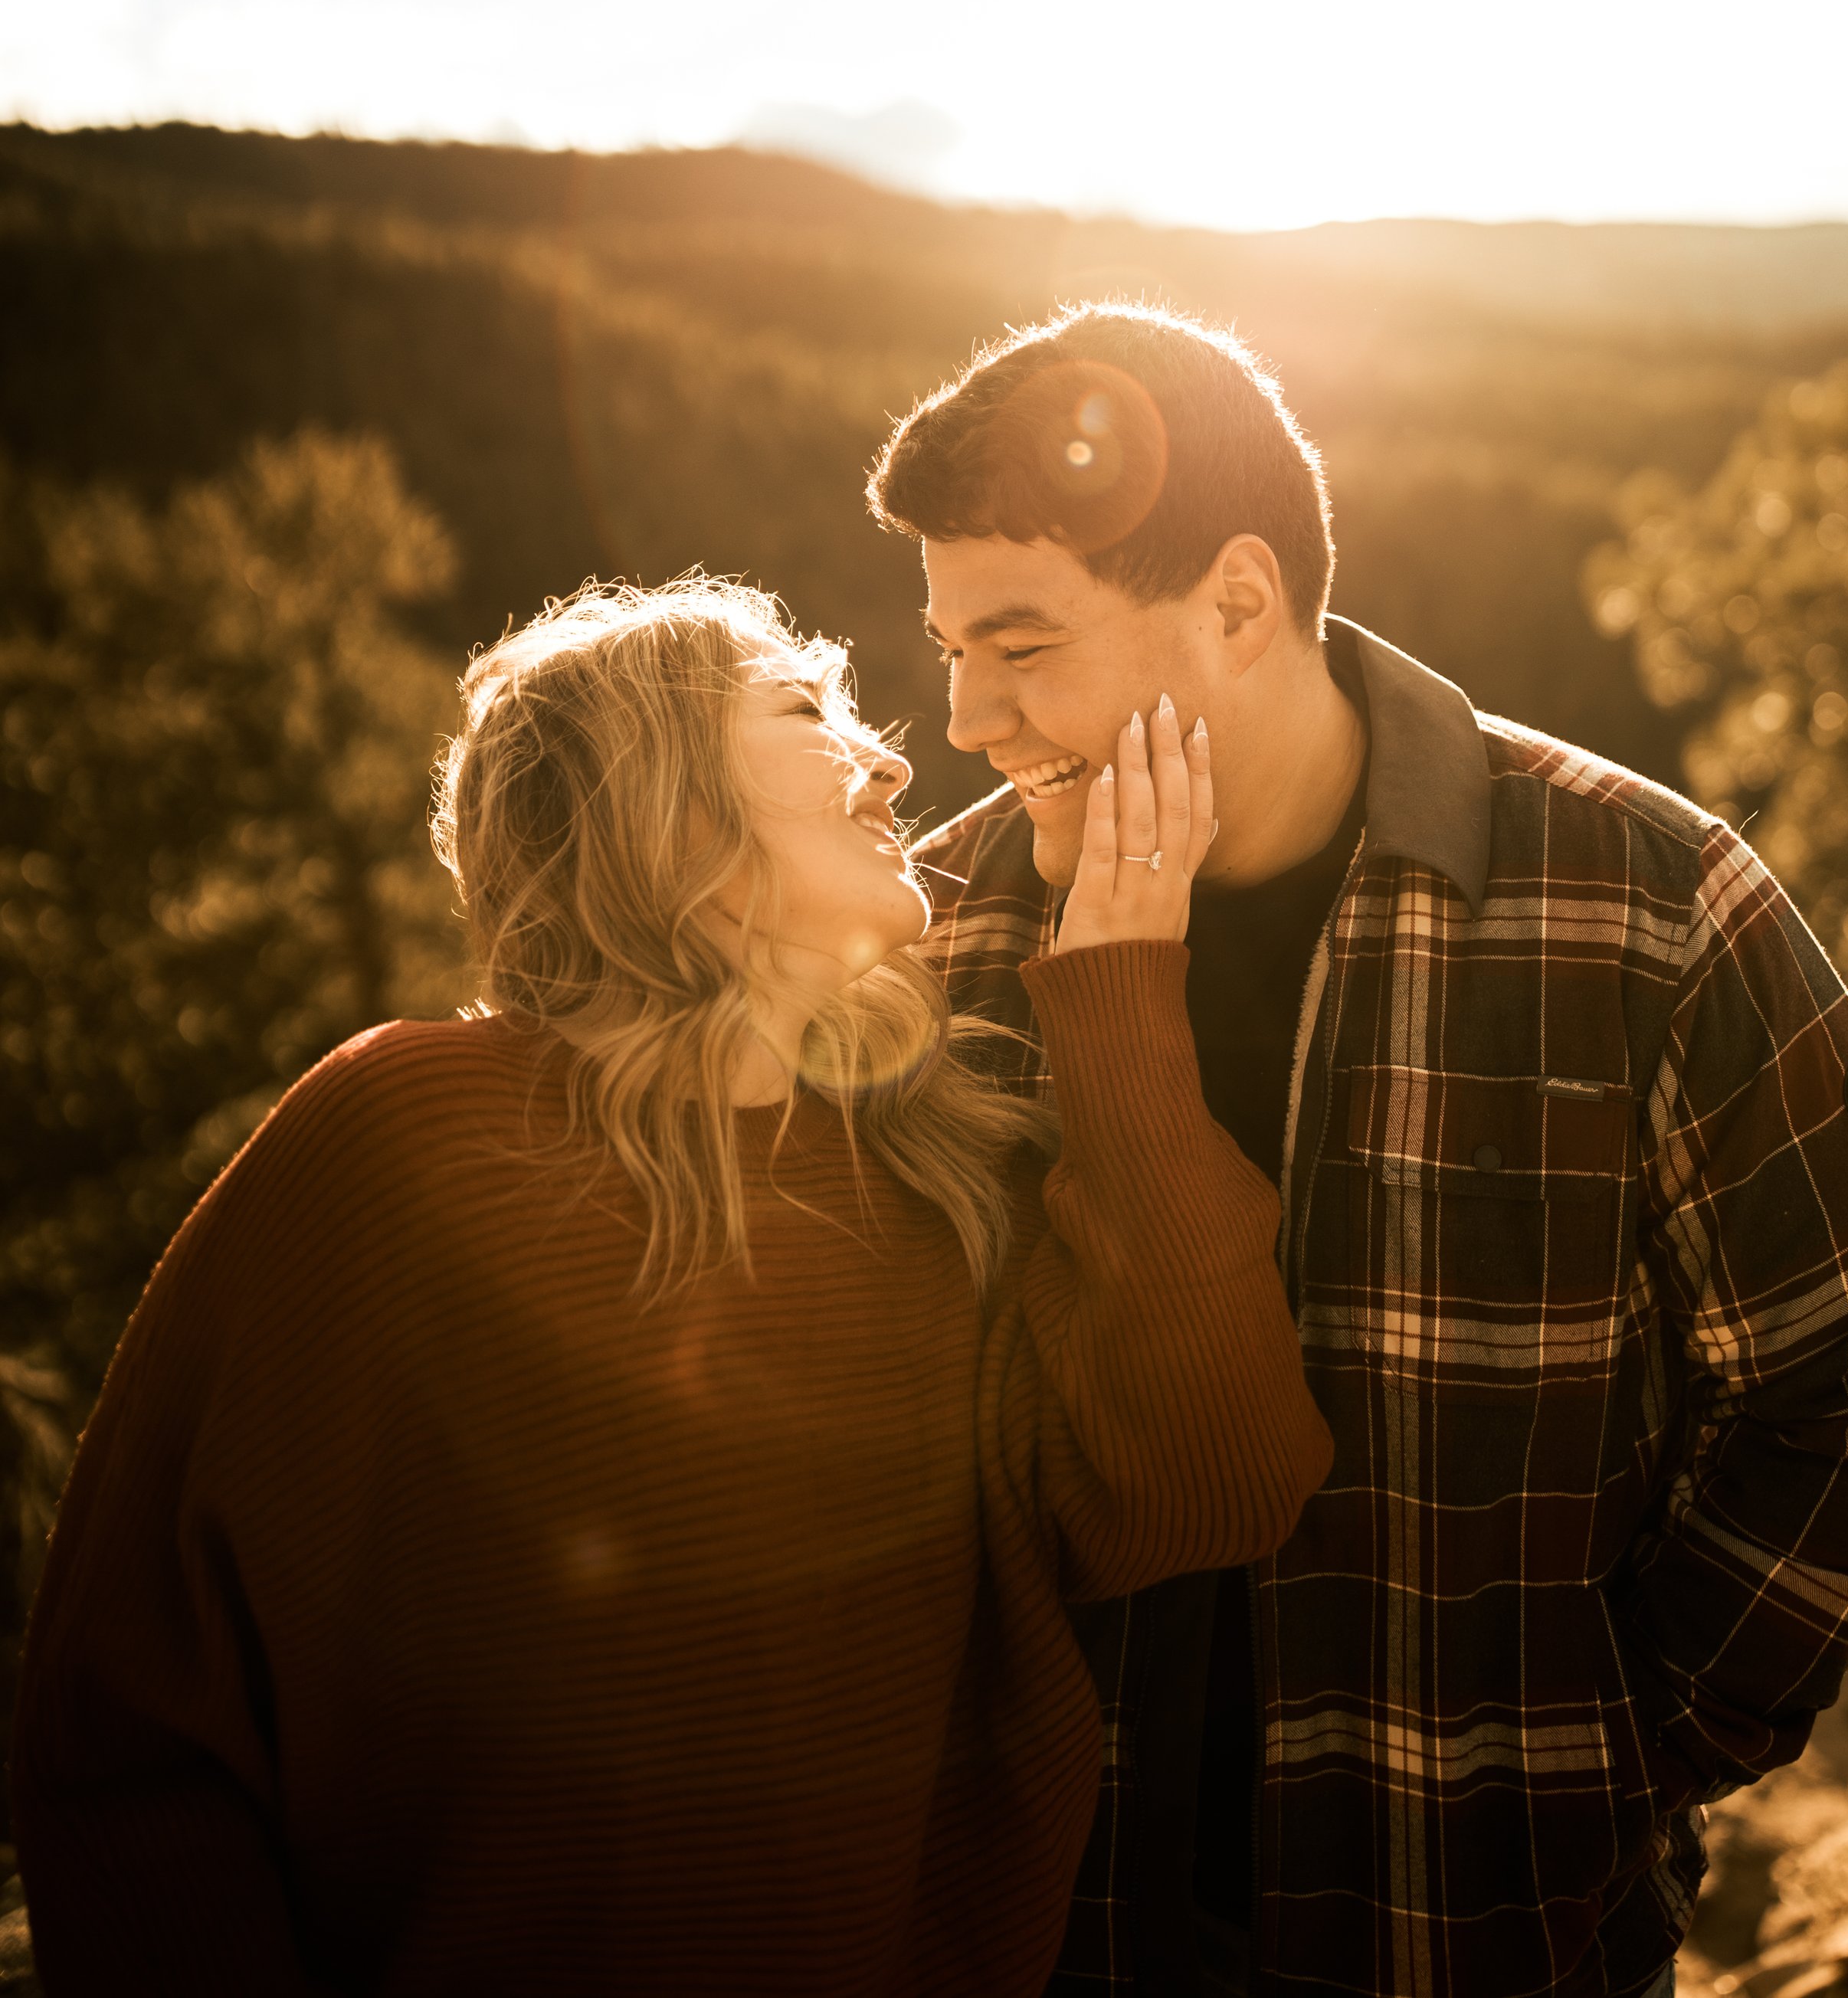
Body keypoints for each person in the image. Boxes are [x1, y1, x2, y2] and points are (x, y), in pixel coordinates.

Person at [9, 575, 1332, 1998]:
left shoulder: (944, 1182)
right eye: (803, 709)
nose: (893, 757)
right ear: (662, 804)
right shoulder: (396, 1141)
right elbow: (130, 1728)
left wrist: (1126, 985)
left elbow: (1221, 1479)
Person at [867, 302, 1848, 1998]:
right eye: (947, 648)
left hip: (1486, 1931)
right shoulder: (946, 935)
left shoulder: (1642, 904)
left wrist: (1626, 1745)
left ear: (1235, 601)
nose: (967, 717)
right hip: (1051, 1938)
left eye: (1021, 645)